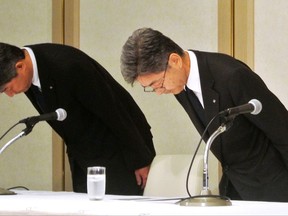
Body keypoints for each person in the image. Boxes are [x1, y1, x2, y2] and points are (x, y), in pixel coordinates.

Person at [120, 27, 288, 202]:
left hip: (273, 186)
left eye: (158, 83)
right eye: (151, 88)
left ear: (175, 60)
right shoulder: (179, 85)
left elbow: (282, 129)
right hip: (236, 185)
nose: (159, 92)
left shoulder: (232, 76)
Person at [0, 42, 156, 195]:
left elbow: (115, 110)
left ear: (20, 66)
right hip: (83, 157)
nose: (11, 94)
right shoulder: (27, 73)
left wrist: (140, 159)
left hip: (118, 154)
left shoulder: (68, 65)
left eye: (7, 88)